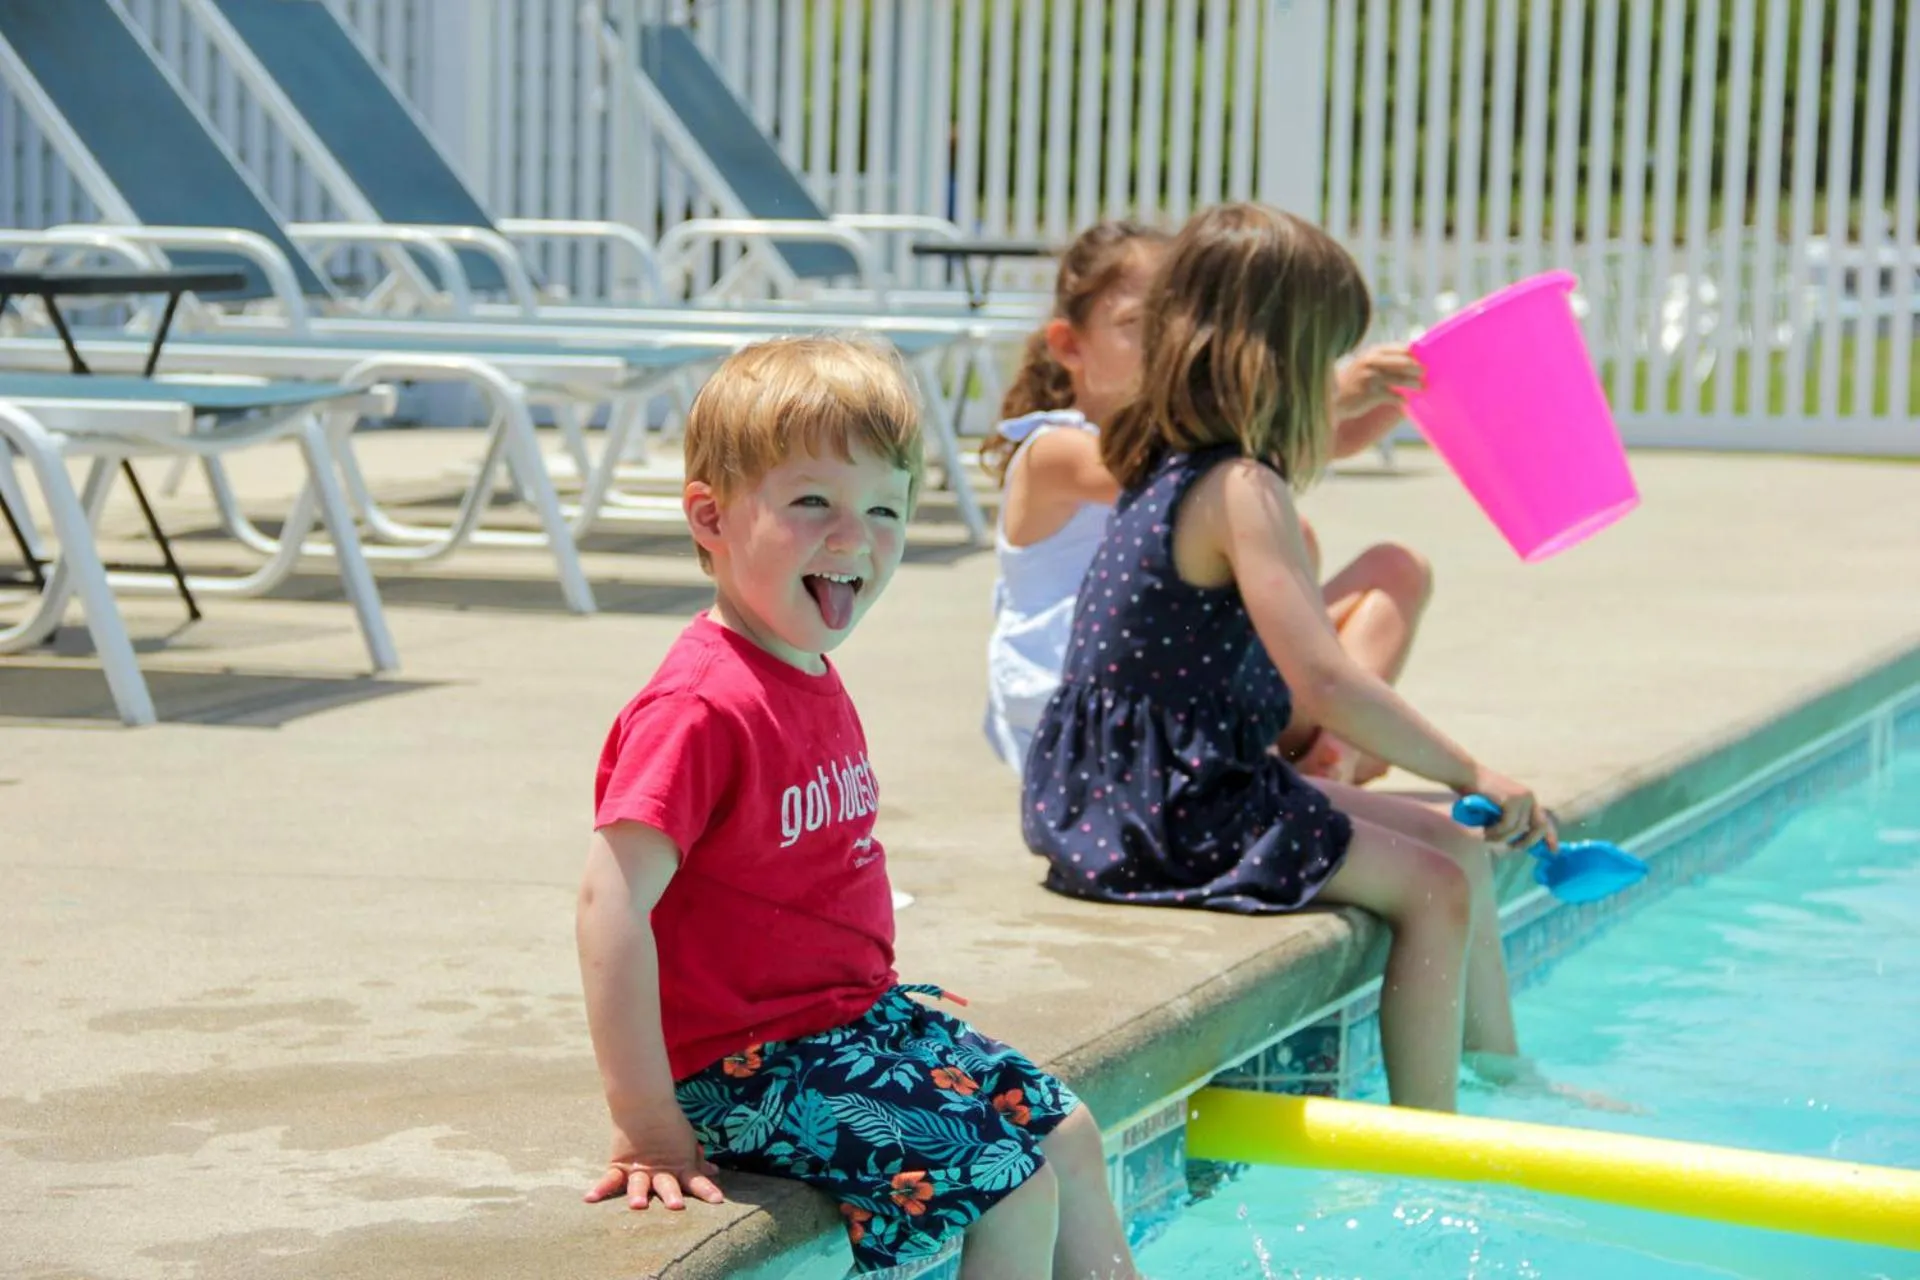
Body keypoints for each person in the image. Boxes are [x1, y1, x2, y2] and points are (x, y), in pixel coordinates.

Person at [576, 335, 1138, 1279]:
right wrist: (648, 1127)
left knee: (1066, 1132)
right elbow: (609, 906)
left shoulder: (804, 669)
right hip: (748, 1068)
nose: (855, 537)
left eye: (885, 508)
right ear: (710, 518)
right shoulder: (701, 704)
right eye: (811, 503)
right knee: (1007, 1179)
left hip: (850, 1027)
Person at [1020, 205, 1558, 1114]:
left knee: (1459, 845)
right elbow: (1326, 681)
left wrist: (1397, 391)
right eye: (1324, 360)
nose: (1328, 384)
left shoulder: (1171, 455)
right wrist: (1473, 768)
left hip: (1135, 789)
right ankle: (1432, 1140)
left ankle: (1505, 1075)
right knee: (1432, 886)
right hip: (1171, 811)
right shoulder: (1239, 485)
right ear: (1275, 364)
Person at [981, 220, 1431, 784]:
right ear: (1070, 346)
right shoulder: (1057, 450)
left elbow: (1301, 446)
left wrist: (1401, 393)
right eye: (1136, 326)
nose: (1164, 348)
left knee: (1395, 568)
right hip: (1098, 727)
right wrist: (1328, 394)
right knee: (1286, 540)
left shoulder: (1202, 453)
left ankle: (1337, 755)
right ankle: (1331, 761)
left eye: (1178, 326)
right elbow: (1175, 475)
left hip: (1180, 688)